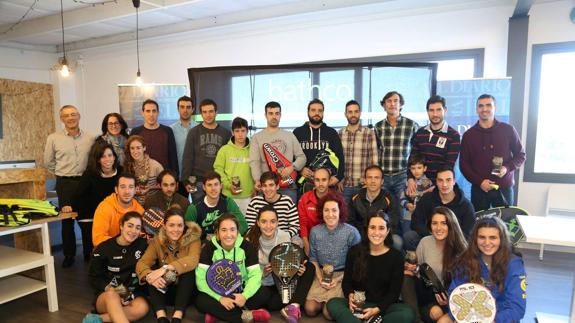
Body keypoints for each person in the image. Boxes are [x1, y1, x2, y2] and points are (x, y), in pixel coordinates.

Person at [326, 212, 415, 323]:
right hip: (359, 304)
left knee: (407, 313)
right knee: (332, 303)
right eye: (372, 227)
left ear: (387, 231)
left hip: (383, 307)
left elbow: (394, 293)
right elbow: (346, 283)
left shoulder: (396, 256)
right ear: (366, 229)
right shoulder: (354, 252)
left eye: (381, 228)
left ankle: (367, 320)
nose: (376, 232)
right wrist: (350, 296)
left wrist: (376, 310)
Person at [44, 104, 96, 267]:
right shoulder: (53, 138)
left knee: (87, 220)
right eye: (66, 115)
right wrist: (62, 172)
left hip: (86, 182)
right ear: (61, 119)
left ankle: (89, 252)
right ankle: (69, 255)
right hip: (65, 183)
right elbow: (48, 162)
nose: (71, 118)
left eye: (73, 114)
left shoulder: (90, 138)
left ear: (79, 116)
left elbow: (94, 160)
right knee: (67, 222)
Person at [448, 216, 526, 323]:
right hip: (470, 316)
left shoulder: (513, 265)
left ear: (501, 239)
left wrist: (492, 320)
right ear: (475, 239)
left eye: (493, 237)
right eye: (482, 237)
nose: (487, 242)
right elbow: (454, 294)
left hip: (500, 318)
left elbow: (517, 308)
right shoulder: (466, 260)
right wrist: (460, 317)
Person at [195, 213, 272, 323]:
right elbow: (201, 279)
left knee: (264, 293)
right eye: (224, 230)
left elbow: (255, 275)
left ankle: (217, 314)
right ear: (217, 233)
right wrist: (220, 298)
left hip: (241, 290)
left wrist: (244, 296)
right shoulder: (208, 248)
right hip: (217, 292)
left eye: (232, 230)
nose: (228, 234)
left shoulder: (247, 247)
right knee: (200, 301)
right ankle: (250, 316)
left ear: (237, 232)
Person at [244, 205, 315, 322]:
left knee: (310, 267)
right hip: (261, 285)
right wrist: (263, 273)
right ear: (258, 222)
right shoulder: (249, 239)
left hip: (281, 285)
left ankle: (293, 306)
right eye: (264, 221)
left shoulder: (284, 236)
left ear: (277, 222)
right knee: (263, 296)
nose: (268, 226)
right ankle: (261, 309)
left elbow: (289, 266)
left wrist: (297, 271)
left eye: (272, 222)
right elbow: (245, 273)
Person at [460, 94, 526, 211]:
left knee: (504, 224)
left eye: (488, 105)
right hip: (479, 189)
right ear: (476, 109)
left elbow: (521, 155)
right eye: (481, 106)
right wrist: (480, 182)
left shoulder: (508, 130)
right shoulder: (468, 135)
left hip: (504, 188)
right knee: (479, 225)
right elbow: (464, 165)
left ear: (495, 108)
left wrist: (507, 168)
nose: (484, 109)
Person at [136, 208, 202, 323]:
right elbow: (142, 263)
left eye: (179, 225)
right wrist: (148, 276)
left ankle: (177, 316)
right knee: (152, 273)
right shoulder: (157, 241)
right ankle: (161, 316)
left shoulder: (193, 239)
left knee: (189, 271)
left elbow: (193, 259)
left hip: (186, 292)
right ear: (164, 225)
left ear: (184, 226)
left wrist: (166, 268)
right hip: (165, 290)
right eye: (171, 225)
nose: (176, 230)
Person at [402, 207, 467, 323]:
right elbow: (420, 271)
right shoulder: (425, 242)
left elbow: (466, 286)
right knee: (406, 277)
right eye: (434, 223)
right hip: (427, 296)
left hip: (451, 300)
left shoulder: (461, 250)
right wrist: (412, 269)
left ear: (451, 225)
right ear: (430, 226)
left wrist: (449, 298)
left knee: (437, 314)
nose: (438, 228)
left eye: (443, 223)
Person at [83, 212, 149, 323]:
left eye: (138, 227)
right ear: (121, 226)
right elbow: (93, 277)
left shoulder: (143, 245)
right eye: (130, 225)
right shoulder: (104, 248)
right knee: (113, 296)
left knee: (142, 308)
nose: (133, 231)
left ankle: (98, 319)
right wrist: (110, 289)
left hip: (132, 295)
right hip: (108, 294)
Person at [305, 192, 361, 319]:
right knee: (310, 309)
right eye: (326, 210)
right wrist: (319, 278)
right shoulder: (315, 231)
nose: (330, 214)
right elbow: (313, 258)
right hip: (321, 274)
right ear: (321, 212)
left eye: (334, 210)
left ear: (340, 211)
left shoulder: (352, 232)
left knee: (328, 313)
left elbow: (357, 265)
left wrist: (337, 279)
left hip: (343, 276)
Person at [374, 91, 419, 234]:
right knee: (385, 213)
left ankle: (403, 249)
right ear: (384, 105)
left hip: (402, 176)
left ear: (401, 104)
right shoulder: (378, 127)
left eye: (395, 101)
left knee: (403, 213)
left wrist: (411, 177)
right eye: (388, 101)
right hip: (384, 177)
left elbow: (416, 154)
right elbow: (376, 152)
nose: (392, 104)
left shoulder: (412, 125)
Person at [70, 141, 123, 262]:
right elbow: (78, 194)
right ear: (98, 159)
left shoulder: (121, 172)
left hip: (111, 213)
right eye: (103, 156)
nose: (107, 159)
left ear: (114, 157)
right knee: (94, 249)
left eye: (110, 155)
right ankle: (91, 264)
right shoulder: (90, 173)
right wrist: (69, 205)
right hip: (90, 213)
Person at [404, 167, 475, 251]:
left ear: (454, 181)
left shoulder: (466, 206)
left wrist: (448, 240)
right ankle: (419, 260)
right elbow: (416, 222)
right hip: (430, 238)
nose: (444, 184)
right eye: (440, 180)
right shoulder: (427, 199)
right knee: (409, 237)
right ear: (436, 182)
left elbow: (468, 233)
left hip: (453, 244)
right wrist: (433, 235)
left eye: (448, 180)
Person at [249, 101, 306, 203]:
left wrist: (292, 167)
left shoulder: (290, 136)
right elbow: (254, 162)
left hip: (288, 185)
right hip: (266, 187)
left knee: (288, 218)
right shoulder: (257, 138)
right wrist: (257, 180)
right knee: (266, 218)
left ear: (280, 115)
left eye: (277, 113)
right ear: (265, 115)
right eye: (270, 113)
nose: (274, 116)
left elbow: (302, 157)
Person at [182, 99, 231, 201]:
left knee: (219, 214)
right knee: (200, 214)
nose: (208, 115)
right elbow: (187, 157)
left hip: (219, 181)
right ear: (201, 114)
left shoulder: (225, 133)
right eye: (204, 112)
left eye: (211, 111)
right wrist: (186, 180)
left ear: (216, 113)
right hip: (198, 181)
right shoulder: (193, 132)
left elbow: (229, 159)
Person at [408, 95, 460, 186]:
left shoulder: (453, 135)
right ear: (427, 112)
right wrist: (410, 179)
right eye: (431, 110)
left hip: (441, 185)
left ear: (445, 110)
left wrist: (436, 185)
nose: (435, 114)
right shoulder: (420, 133)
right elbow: (412, 159)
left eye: (439, 110)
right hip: (419, 184)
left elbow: (449, 165)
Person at [293, 98, 345, 190]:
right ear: (308, 112)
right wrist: (300, 170)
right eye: (313, 110)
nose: (316, 113)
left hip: (327, 184)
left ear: (323, 113)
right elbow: (291, 157)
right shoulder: (298, 132)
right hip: (304, 184)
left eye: (320, 110)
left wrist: (338, 177)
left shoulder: (331, 132)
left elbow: (340, 156)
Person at [349, 165, 402, 250]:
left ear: (382, 181)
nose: (373, 181)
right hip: (361, 235)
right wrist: (364, 235)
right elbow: (350, 221)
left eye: (376, 178)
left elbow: (393, 223)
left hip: (382, 235)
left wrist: (379, 235)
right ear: (365, 180)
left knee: (397, 241)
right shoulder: (355, 197)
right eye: (370, 177)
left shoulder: (389, 198)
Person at [338, 100, 378, 209]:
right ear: (345, 114)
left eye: (356, 111)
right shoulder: (340, 134)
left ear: (360, 113)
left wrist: (370, 181)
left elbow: (374, 160)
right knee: (345, 218)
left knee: (363, 219)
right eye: (350, 112)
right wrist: (338, 178)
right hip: (344, 186)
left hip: (362, 185)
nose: (353, 115)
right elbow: (336, 160)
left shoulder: (369, 133)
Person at [184, 171, 248, 239]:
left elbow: (243, 225)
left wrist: (227, 236)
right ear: (204, 187)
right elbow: (188, 232)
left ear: (221, 186)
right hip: (203, 243)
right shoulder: (194, 208)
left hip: (225, 240)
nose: (213, 188)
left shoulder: (228, 202)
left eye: (216, 184)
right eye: (209, 185)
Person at [213, 117, 255, 214]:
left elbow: (257, 168)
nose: (240, 134)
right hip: (229, 195)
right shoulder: (224, 150)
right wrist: (228, 185)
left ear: (247, 131)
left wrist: (255, 186)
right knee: (230, 225)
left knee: (247, 226)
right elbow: (218, 169)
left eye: (243, 130)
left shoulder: (253, 149)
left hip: (249, 196)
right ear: (232, 132)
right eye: (237, 131)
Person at [92, 173, 145, 247]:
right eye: (123, 187)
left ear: (135, 190)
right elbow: (97, 239)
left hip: (131, 252)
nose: (127, 191)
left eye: (131, 187)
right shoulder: (105, 208)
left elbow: (142, 237)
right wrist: (122, 242)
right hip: (107, 252)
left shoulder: (140, 211)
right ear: (116, 190)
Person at [245, 171, 299, 238]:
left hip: (283, 238)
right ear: (261, 188)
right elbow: (249, 227)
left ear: (277, 186)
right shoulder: (255, 202)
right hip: (260, 238)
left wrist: (282, 237)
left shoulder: (287, 201)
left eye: (271, 185)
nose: (268, 189)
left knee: (298, 242)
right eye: (264, 186)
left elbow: (295, 226)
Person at [130, 99, 179, 174]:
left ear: (158, 113)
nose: (151, 114)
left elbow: (173, 157)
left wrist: (175, 176)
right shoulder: (135, 132)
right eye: (148, 111)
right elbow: (130, 156)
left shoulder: (167, 131)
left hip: (164, 177)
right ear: (142, 113)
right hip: (142, 177)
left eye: (154, 111)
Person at [298, 167, 333, 256]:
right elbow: (303, 223)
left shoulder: (336, 199)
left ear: (329, 181)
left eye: (324, 180)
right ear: (313, 181)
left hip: (330, 240)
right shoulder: (304, 198)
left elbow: (339, 225)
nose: (320, 184)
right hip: (310, 239)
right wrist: (306, 244)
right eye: (317, 180)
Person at [123, 135, 164, 205]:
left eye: (138, 148)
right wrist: (134, 190)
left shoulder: (155, 165)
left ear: (144, 148)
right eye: (132, 148)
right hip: (133, 204)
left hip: (153, 204)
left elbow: (165, 185)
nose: (135, 151)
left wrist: (150, 188)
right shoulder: (127, 166)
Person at [400, 154, 434, 234]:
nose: (416, 171)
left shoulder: (428, 182)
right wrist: (407, 205)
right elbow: (402, 198)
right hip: (410, 214)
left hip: (424, 216)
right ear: (410, 169)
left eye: (419, 168)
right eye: (413, 168)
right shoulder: (408, 183)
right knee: (406, 234)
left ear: (424, 168)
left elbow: (431, 200)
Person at [170, 96, 195, 177]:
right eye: (182, 107)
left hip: (195, 176)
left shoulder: (199, 128)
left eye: (188, 107)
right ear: (178, 109)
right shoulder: (171, 129)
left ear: (193, 109)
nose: (185, 110)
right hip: (177, 174)